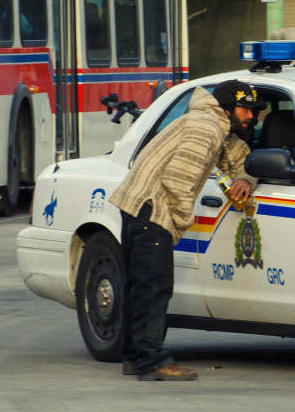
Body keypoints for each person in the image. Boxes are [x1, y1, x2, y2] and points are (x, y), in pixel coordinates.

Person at [109, 79, 264, 381]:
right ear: (229, 108)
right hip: (154, 209)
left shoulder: (213, 125)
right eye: (247, 109)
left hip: (137, 206)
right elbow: (178, 180)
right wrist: (181, 222)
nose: (252, 117)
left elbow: (241, 159)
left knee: (139, 286)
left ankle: (134, 357)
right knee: (154, 288)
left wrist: (246, 178)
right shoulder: (206, 129)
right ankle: (152, 362)